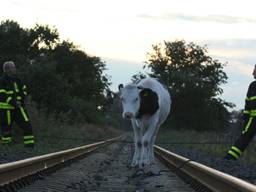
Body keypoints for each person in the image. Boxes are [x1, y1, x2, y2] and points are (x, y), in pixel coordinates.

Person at [225, 64, 256, 160]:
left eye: (255, 70)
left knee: (244, 138)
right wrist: (245, 119)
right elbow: (247, 105)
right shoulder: (252, 85)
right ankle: (229, 159)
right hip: (252, 119)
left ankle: (229, 159)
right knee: (244, 137)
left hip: (253, 119)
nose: (253, 72)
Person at [0, 61, 35, 147]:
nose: (15, 69)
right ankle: (6, 148)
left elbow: (24, 90)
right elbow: (2, 95)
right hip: (6, 110)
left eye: (14, 67)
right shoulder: (2, 81)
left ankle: (29, 148)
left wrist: (22, 99)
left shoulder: (18, 80)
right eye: (12, 67)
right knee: (6, 130)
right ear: (6, 69)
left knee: (27, 126)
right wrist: (13, 102)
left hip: (19, 108)